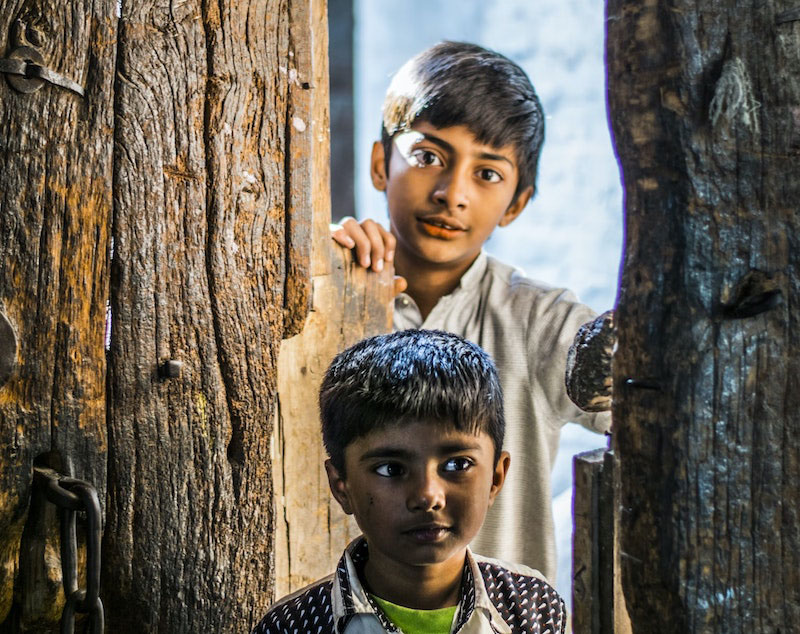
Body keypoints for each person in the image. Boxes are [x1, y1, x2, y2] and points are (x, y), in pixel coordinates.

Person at [331, 41, 613, 584]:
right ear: (379, 164)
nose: (451, 193)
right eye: (428, 157)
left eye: (487, 174)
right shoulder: (325, 295)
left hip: (502, 618)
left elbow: (656, 404)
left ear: (516, 204)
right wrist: (314, 272)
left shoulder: (542, 324)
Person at [252, 329, 567, 634]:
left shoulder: (534, 608)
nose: (428, 495)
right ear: (341, 486)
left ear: (496, 478)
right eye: (391, 469)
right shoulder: (292, 626)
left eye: (457, 464)